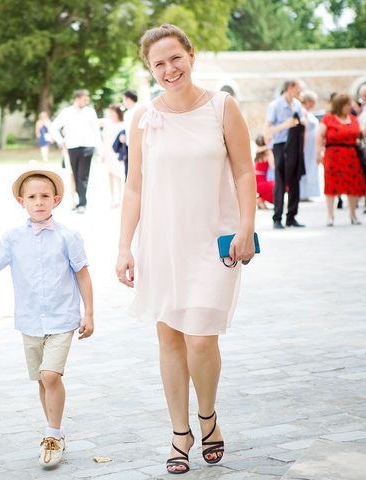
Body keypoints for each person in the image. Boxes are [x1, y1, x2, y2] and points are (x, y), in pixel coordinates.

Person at [115, 24, 256, 474]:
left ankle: (208, 416)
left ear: (191, 55)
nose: (169, 69)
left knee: (200, 338)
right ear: (150, 69)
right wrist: (124, 247)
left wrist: (247, 227)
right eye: (159, 63)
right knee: (169, 337)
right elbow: (134, 187)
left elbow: (244, 173)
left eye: (175, 58)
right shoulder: (143, 118)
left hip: (215, 239)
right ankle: (180, 431)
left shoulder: (222, 108)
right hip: (161, 241)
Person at [0, 169, 94, 467]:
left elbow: (82, 274)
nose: (39, 202)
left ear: (57, 200)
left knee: (51, 375)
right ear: (21, 201)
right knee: (41, 379)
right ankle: (54, 434)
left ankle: (53, 431)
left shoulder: (68, 237)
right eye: (33, 197)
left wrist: (89, 312)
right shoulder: (13, 238)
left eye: (45, 196)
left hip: (62, 318)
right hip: (30, 321)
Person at [316, 93, 365, 226]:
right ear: (340, 105)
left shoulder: (353, 119)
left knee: (353, 185)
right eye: (348, 104)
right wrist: (318, 152)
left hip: (351, 155)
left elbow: (360, 134)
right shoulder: (328, 118)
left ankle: (353, 214)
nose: (351, 107)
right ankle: (330, 215)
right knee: (331, 185)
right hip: (333, 155)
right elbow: (320, 136)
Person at [50, 89, 102, 214]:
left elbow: (96, 131)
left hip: (87, 147)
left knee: (83, 175)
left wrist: (100, 149)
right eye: (84, 99)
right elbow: (53, 127)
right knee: (74, 174)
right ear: (77, 99)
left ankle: (82, 203)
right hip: (71, 147)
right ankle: (78, 202)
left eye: (87, 99)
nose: (86, 102)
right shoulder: (67, 112)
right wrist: (60, 140)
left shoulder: (90, 112)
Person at [264, 79, 306, 229]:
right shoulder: (275, 106)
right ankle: (277, 218)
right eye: (298, 89)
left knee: (295, 180)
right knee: (280, 181)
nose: (300, 93)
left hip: (295, 146)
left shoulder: (298, 105)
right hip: (280, 145)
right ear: (290, 88)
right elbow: (267, 130)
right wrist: (285, 125)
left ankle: (291, 217)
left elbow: (303, 124)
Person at [101, 104, 125, 207]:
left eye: (113, 112)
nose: (111, 114)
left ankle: (120, 198)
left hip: (118, 153)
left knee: (118, 175)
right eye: (110, 112)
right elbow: (104, 140)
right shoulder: (107, 124)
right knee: (110, 175)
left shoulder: (123, 124)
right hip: (108, 152)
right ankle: (112, 198)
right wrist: (102, 153)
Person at [299, 90, 321, 200]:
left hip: (312, 146)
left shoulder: (307, 112)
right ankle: (302, 193)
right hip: (306, 145)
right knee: (306, 167)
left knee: (310, 167)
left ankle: (307, 192)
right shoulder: (302, 112)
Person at [121, 89, 139, 179]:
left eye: (123, 99)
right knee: (128, 173)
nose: (123, 102)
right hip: (128, 146)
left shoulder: (140, 110)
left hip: (139, 147)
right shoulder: (127, 114)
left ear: (128, 99)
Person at [254, 135, 275, 210]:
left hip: (256, 179)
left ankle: (260, 200)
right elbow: (274, 166)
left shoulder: (259, 152)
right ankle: (260, 199)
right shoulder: (268, 152)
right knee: (280, 186)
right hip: (260, 180)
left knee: (275, 186)